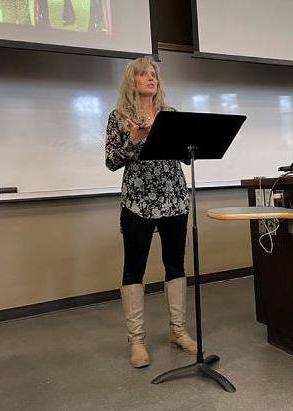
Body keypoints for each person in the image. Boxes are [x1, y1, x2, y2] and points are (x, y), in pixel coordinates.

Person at [105, 56, 197, 368]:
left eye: (154, 73)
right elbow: (111, 161)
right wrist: (134, 140)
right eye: (144, 73)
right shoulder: (118, 118)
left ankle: (178, 331)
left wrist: (190, 143)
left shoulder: (170, 115)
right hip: (137, 202)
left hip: (174, 199)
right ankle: (137, 340)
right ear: (132, 81)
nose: (151, 77)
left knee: (175, 265)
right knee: (134, 269)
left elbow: (186, 157)